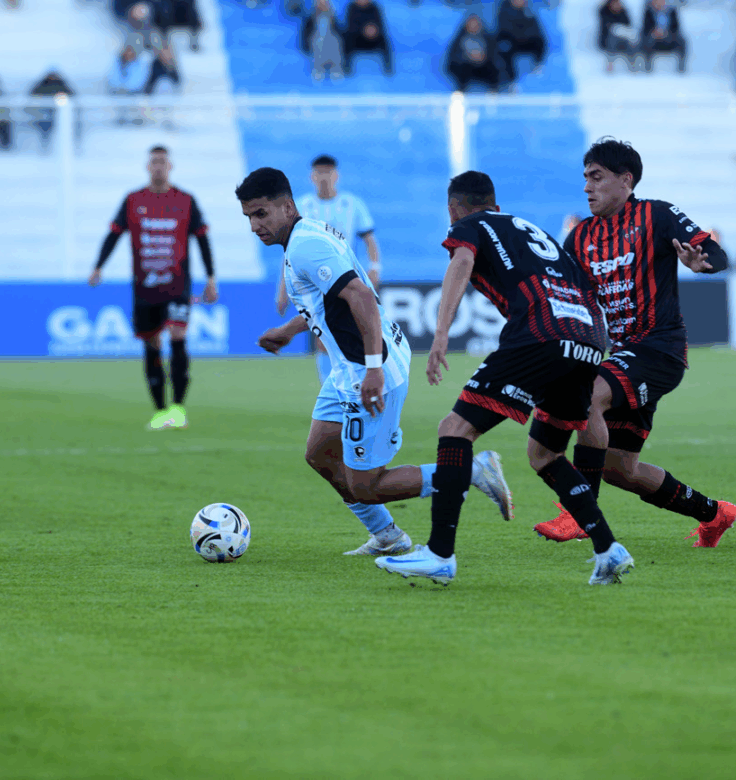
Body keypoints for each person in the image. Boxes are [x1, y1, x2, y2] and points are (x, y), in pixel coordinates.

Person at [375, 171, 634, 586]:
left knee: (454, 429)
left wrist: (440, 333)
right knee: (544, 454)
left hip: (541, 333)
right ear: (495, 203)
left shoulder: (469, 225)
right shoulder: (533, 230)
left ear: (453, 208)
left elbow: (461, 261)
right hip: (587, 339)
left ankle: (440, 554)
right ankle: (608, 549)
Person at [238, 167, 511, 557]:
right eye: (249, 216)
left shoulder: (304, 247)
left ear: (286, 206)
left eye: (261, 214)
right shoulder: (309, 233)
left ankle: (469, 471)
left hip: (369, 365)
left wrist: (372, 369)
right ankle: (389, 536)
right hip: (351, 367)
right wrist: (290, 330)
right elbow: (330, 301)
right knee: (319, 453)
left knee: (367, 483)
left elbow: (362, 299)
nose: (254, 225)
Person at [534, 139, 736, 549]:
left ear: (626, 181)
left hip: (659, 349)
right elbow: (569, 301)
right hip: (622, 356)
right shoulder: (580, 239)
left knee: (587, 396)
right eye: (585, 179)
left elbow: (716, 253)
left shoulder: (657, 215)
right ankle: (714, 514)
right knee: (619, 468)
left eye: (597, 177)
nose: (587, 188)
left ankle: (579, 512)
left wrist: (703, 263)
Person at [90, 146, 217, 430]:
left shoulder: (185, 200)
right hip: (144, 287)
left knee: (177, 333)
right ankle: (160, 410)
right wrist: (99, 265)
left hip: (178, 286)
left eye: (163, 162)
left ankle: (179, 407)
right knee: (152, 343)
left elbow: (202, 239)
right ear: (147, 167)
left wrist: (211, 277)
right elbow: (114, 234)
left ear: (170, 166)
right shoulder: (133, 200)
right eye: (154, 162)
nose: (158, 166)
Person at [277, 155, 381, 384]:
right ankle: (330, 384)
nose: (324, 178)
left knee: (355, 327)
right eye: (319, 173)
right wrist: (282, 289)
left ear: (336, 175)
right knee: (322, 332)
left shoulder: (353, 204)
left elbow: (369, 240)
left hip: (347, 277)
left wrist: (375, 267)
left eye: (328, 172)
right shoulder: (301, 206)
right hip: (313, 279)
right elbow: (290, 251)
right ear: (312, 177)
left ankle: (356, 376)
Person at [446, 15, 506, 92]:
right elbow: (453, 56)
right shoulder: (459, 39)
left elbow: (494, 53)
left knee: (494, 68)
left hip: (484, 65)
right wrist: (468, 57)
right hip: (467, 65)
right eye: (471, 24)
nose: (473, 27)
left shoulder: (487, 38)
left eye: (476, 24)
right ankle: (460, 92)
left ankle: (494, 92)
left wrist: (484, 57)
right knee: (460, 69)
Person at [496, 0, 548, 80]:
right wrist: (521, 33)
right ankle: (511, 80)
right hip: (512, 42)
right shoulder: (504, 12)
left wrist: (524, 34)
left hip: (526, 40)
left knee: (539, 41)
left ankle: (538, 66)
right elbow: (505, 30)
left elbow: (535, 29)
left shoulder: (528, 11)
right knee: (504, 48)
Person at [343, 0, 394, 75]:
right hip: (357, 40)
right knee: (346, 39)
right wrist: (363, 31)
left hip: (373, 39)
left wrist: (374, 31)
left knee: (384, 40)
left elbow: (380, 25)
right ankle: (346, 68)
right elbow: (350, 27)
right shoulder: (351, 7)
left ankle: (388, 69)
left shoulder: (374, 7)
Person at [302, 0, 345, 81]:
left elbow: (340, 33)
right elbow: (306, 35)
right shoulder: (310, 19)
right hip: (316, 43)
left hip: (331, 43)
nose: (322, 5)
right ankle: (318, 69)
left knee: (334, 41)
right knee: (318, 41)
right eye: (320, 3)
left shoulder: (334, 19)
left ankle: (336, 68)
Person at [29, 70, 75, 146]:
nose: (52, 77)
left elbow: (72, 95)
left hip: (60, 113)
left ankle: (69, 145)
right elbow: (32, 94)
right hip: (43, 112)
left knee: (67, 123)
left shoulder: (62, 84)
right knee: (45, 123)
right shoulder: (42, 85)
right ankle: (45, 145)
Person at [640, 0, 687, 73]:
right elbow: (645, 28)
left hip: (669, 37)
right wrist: (654, 32)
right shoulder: (648, 12)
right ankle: (648, 68)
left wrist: (666, 33)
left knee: (682, 41)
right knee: (646, 41)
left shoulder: (672, 12)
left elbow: (676, 28)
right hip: (654, 38)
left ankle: (681, 68)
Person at [598, 0, 636, 72]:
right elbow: (606, 27)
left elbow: (628, 25)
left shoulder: (623, 11)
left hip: (623, 40)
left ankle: (633, 65)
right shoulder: (603, 11)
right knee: (612, 40)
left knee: (630, 41)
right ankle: (610, 66)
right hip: (607, 39)